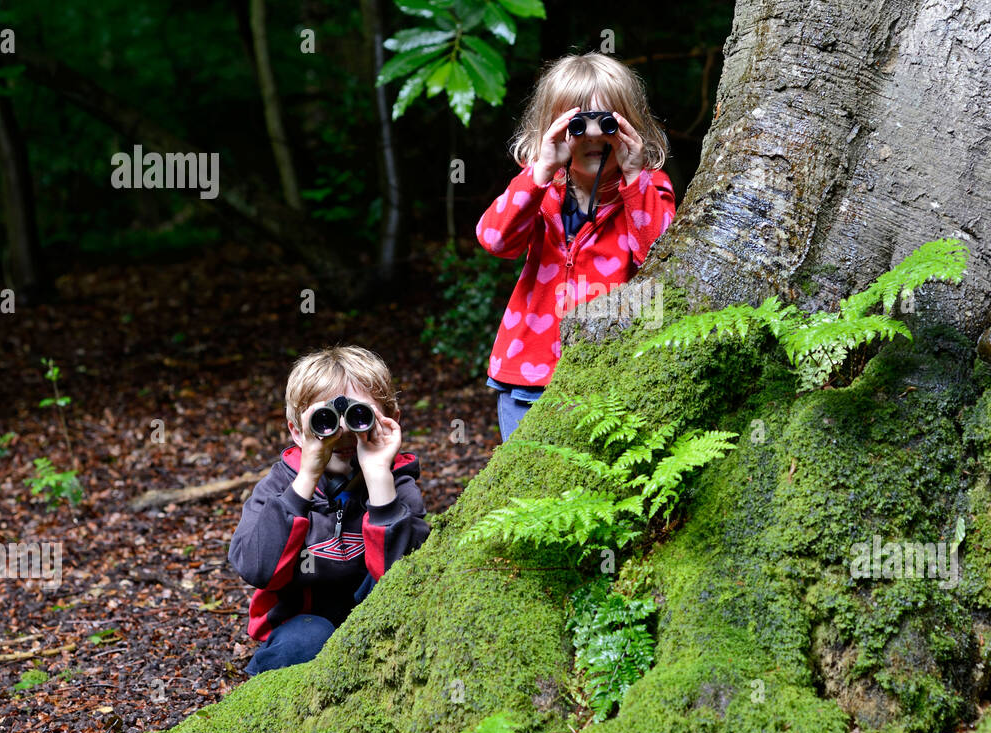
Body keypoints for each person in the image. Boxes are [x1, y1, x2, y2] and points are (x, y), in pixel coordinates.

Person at [476, 52, 677, 441]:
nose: (595, 136)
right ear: (552, 129)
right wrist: (539, 173)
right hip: (529, 369)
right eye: (577, 124)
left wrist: (635, 178)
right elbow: (495, 240)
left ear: (631, 127)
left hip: (612, 371)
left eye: (608, 122)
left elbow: (662, 257)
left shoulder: (649, 188)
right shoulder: (538, 189)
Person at [228, 345, 430, 675]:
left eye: (359, 416)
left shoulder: (396, 485)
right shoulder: (280, 485)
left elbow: (408, 580)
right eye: (327, 420)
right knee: (309, 639)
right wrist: (306, 478)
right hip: (299, 627)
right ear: (296, 430)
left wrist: (378, 476)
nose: (344, 432)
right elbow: (255, 568)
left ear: (389, 419)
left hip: (374, 620)